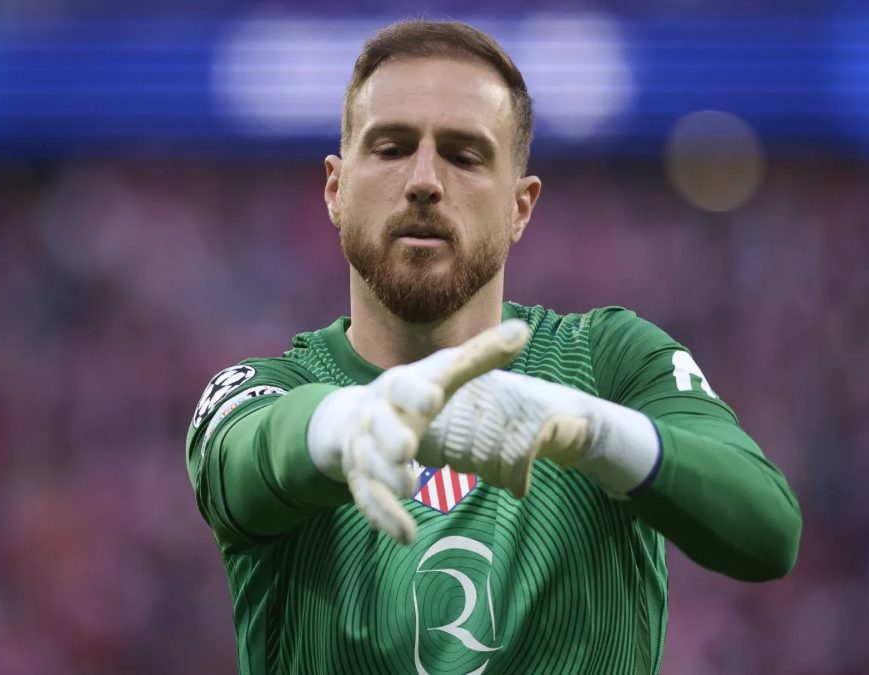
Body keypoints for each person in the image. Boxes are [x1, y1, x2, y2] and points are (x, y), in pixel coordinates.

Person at [185, 19, 801, 675]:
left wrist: (595, 431)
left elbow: (768, 531)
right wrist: (343, 423)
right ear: (336, 190)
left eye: (464, 155)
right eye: (391, 148)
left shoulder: (609, 360)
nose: (424, 180)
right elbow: (249, 459)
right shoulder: (264, 388)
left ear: (520, 205)